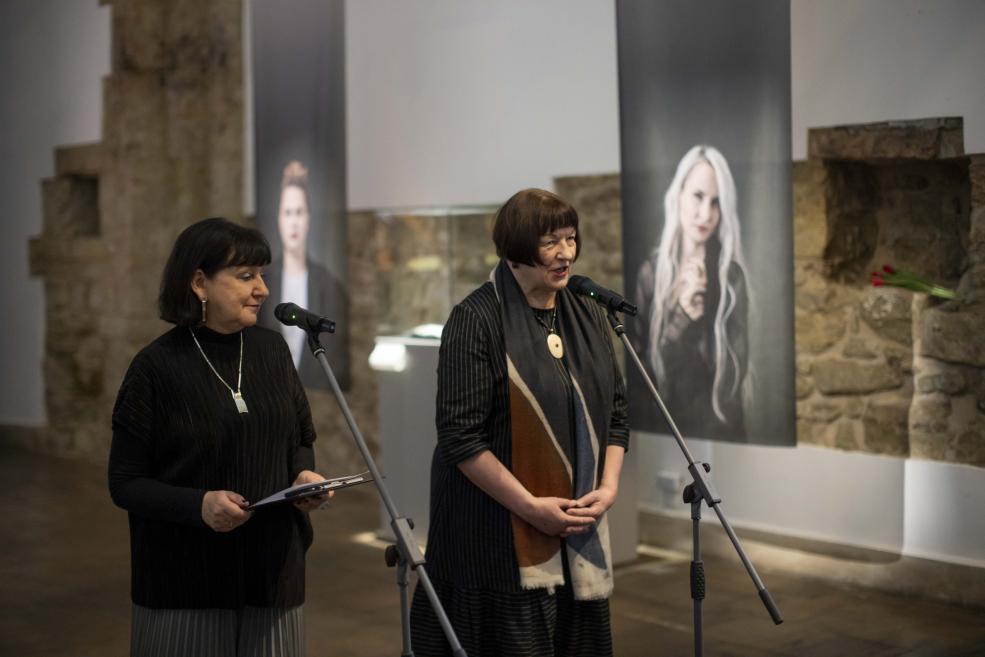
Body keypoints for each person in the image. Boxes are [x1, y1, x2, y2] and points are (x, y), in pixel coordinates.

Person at [410, 189, 630, 657]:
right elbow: (460, 437)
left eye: (571, 239)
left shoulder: (588, 313)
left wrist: (607, 489)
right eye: (551, 242)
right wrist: (531, 507)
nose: (566, 253)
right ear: (515, 249)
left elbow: (616, 414)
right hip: (494, 539)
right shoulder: (475, 319)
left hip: (576, 529)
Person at [109, 217, 330, 657]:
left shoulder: (272, 350)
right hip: (187, 578)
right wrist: (198, 504)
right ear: (199, 282)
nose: (263, 290)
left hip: (272, 570)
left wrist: (303, 475)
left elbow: (299, 437)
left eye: (263, 275)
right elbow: (125, 483)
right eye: (246, 276)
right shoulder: (155, 368)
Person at [632, 145, 750, 439]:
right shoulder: (651, 273)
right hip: (661, 432)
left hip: (720, 433)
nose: (705, 213)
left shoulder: (730, 279)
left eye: (716, 202)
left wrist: (699, 320)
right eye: (698, 196)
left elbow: (733, 375)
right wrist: (683, 318)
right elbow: (640, 374)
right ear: (679, 194)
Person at [258, 160, 350, 390]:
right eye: (287, 213)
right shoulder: (262, 284)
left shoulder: (330, 286)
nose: (294, 222)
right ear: (279, 219)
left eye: (299, 212)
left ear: (309, 218)